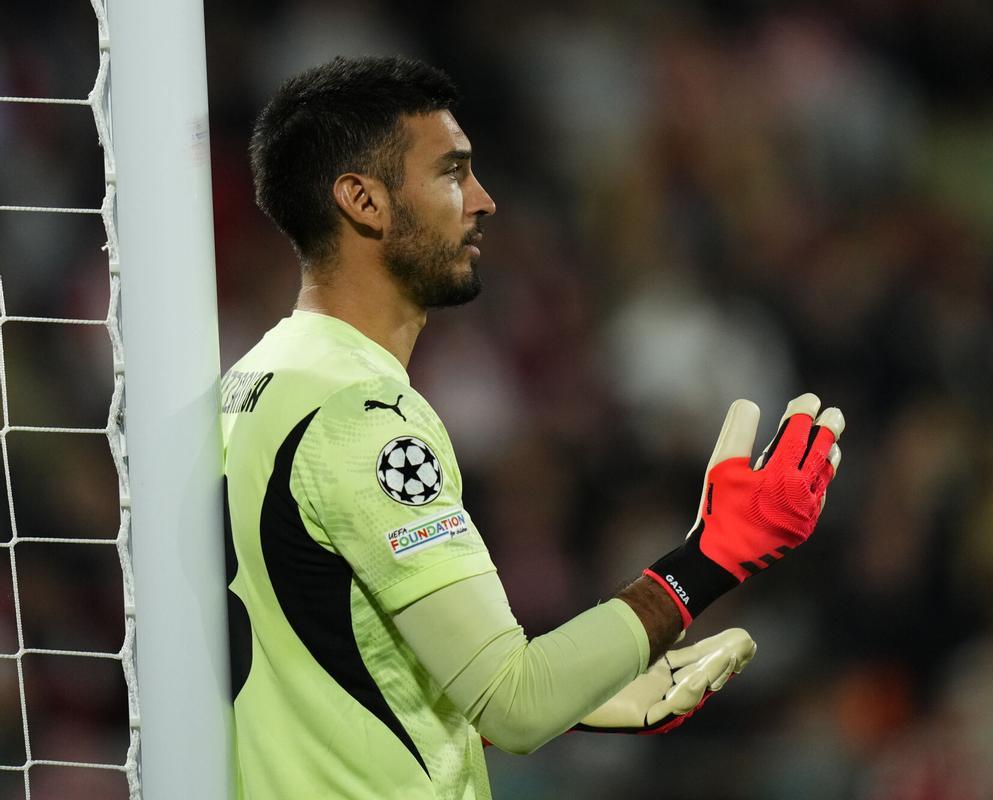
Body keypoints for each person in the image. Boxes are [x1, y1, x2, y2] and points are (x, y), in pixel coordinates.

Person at [221, 55, 845, 799]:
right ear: (364, 201)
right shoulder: (363, 421)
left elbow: (329, 655)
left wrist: (590, 698)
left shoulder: (252, 384)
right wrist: (712, 555)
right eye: (451, 173)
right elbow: (515, 705)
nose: (483, 201)